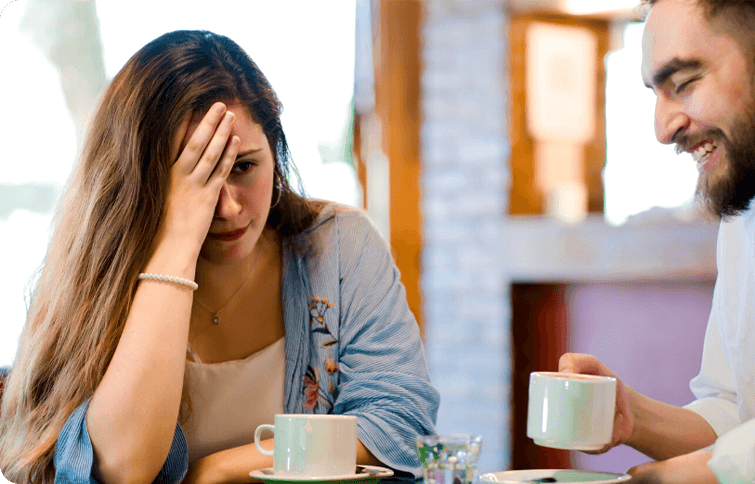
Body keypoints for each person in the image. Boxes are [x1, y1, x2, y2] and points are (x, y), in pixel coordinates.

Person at [0, 30, 439, 484]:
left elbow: (400, 424)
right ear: (140, 181)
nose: (228, 208)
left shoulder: (340, 247)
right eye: (197, 177)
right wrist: (177, 240)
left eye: (244, 167)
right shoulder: (93, 273)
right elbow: (121, 469)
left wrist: (218, 469)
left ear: (277, 154)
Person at [559, 1, 755, 483]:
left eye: (683, 84)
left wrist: (658, 480)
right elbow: (744, 420)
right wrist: (631, 413)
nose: (663, 129)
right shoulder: (748, 212)